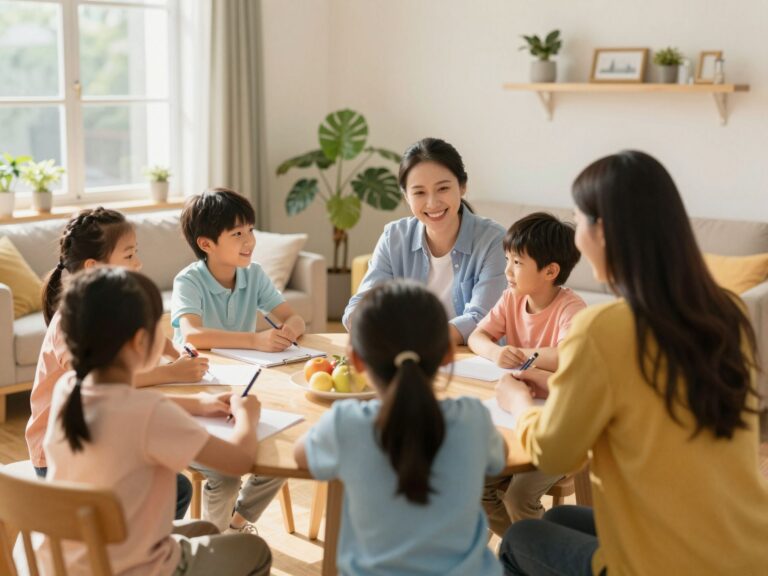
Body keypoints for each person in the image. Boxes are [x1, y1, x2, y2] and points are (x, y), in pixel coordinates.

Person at [496, 150, 768, 575]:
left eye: (579, 221)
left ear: (603, 232)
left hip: (666, 566)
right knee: (557, 519)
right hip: (744, 551)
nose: (578, 240)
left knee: (518, 540)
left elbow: (555, 452)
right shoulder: (726, 312)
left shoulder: (603, 329)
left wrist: (517, 403)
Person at [38, 267, 271, 575]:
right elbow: (238, 461)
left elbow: (126, 411)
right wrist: (246, 416)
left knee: (203, 529)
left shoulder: (68, 389)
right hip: (136, 568)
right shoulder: (148, 413)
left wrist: (199, 404)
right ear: (139, 341)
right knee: (256, 551)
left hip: (71, 562)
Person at [296, 280, 508, 575]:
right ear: (448, 353)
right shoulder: (473, 419)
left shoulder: (345, 424)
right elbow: (500, 456)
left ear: (355, 359)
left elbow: (300, 455)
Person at [27, 207, 209, 518]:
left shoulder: (110, 304)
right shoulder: (69, 323)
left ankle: (137, 549)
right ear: (93, 267)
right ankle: (135, 555)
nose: (138, 263)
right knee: (176, 489)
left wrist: (175, 351)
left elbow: (146, 333)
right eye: (128, 255)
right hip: (60, 455)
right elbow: (94, 382)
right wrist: (169, 372)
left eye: (136, 253)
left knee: (171, 483)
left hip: (98, 434)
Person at [172, 188, 303, 532]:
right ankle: (212, 549)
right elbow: (193, 335)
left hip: (242, 392)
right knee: (227, 477)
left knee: (282, 456)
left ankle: (234, 526)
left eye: (251, 230)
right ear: (207, 244)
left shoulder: (254, 274)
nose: (250, 241)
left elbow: (293, 317)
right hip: (198, 399)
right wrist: (255, 340)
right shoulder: (189, 281)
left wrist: (289, 329)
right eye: (237, 234)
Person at [467, 212, 585, 536]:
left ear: (550, 271)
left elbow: (568, 354)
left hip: (561, 427)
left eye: (517, 262)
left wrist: (528, 357)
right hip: (515, 419)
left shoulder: (571, 309)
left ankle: (535, 557)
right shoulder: (511, 299)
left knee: (519, 497)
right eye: (507, 259)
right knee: (477, 484)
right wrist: (496, 352)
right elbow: (477, 336)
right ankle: (524, 555)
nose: (507, 270)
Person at [342, 138, 506, 346]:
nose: (432, 203)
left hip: (474, 360)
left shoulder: (494, 240)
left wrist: (417, 339)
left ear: (462, 186)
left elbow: (482, 319)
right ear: (406, 197)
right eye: (419, 192)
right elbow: (358, 307)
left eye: (443, 188)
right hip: (406, 356)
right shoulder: (394, 237)